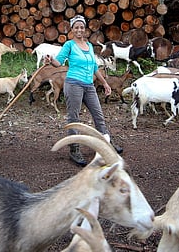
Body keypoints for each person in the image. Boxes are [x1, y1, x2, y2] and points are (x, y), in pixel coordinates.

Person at [44, 15, 122, 166]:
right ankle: (74, 150)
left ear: (84, 29)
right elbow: (58, 61)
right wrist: (50, 60)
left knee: (98, 116)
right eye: (76, 27)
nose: (79, 30)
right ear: (72, 29)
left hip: (89, 86)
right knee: (74, 118)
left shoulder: (89, 46)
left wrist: (105, 83)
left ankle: (106, 144)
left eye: (81, 27)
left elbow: (94, 67)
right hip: (73, 84)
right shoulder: (69, 45)